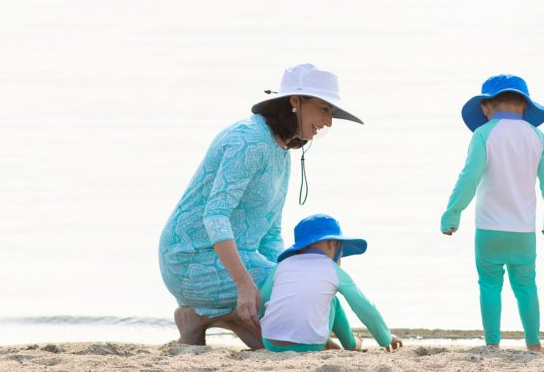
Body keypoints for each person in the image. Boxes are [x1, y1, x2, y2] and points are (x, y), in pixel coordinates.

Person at [159, 64, 362, 349]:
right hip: (191, 258)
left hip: (236, 259)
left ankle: (207, 318)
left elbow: (270, 235)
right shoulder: (248, 140)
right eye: (324, 109)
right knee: (304, 307)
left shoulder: (280, 152)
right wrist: (245, 285)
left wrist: (292, 272)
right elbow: (215, 216)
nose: (328, 122)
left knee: (290, 328)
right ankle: (213, 314)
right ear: (295, 101)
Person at [441, 74, 544, 354]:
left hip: (489, 229)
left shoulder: (483, 134)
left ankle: (492, 343)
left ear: (485, 108)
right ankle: (533, 343)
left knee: (489, 285)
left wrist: (452, 214)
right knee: (526, 286)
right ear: (524, 106)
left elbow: (468, 178)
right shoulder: (537, 136)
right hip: (524, 230)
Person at [260, 214, 403, 353]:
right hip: (309, 345)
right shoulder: (332, 269)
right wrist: (386, 338)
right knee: (333, 301)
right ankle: (351, 343)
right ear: (331, 243)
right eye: (340, 249)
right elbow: (365, 308)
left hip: (270, 342)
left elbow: (263, 300)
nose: (341, 254)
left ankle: (326, 341)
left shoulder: (281, 265)